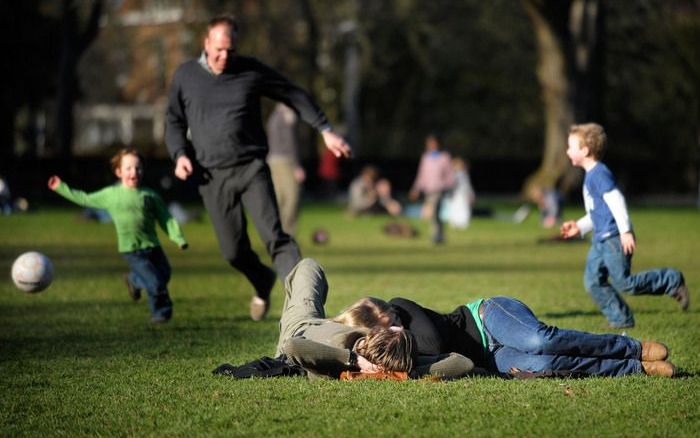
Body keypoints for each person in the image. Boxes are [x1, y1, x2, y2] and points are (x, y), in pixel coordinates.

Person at [165, 15, 351, 321]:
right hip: (211, 175)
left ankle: (304, 309)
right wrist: (179, 154)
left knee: (276, 238)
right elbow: (173, 120)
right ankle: (261, 280)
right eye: (219, 49)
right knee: (233, 252)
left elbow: (292, 94)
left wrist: (325, 129)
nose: (225, 56)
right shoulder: (186, 75)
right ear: (206, 43)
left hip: (251, 169)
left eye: (231, 51)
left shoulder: (250, 71)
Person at [350, 295, 677, 378]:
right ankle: (633, 368)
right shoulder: (392, 348)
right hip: (492, 359)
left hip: (487, 317)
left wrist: (400, 343)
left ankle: (631, 347)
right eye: (386, 326)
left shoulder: (402, 306)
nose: (394, 324)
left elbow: (435, 344)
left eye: (390, 319)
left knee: (540, 341)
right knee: (543, 363)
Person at [560, 123, 690, 328]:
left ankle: (671, 280)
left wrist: (626, 232)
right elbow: (598, 212)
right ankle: (621, 319)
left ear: (584, 150)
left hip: (613, 239)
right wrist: (579, 226)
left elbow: (616, 201)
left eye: (570, 147)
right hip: (599, 241)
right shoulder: (590, 175)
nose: (567, 151)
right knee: (593, 282)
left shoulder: (599, 173)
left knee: (625, 283)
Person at [48, 149, 188, 323]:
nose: (134, 172)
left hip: (153, 246)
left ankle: (134, 281)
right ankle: (161, 313)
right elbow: (84, 198)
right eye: (128, 168)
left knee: (164, 274)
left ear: (143, 171)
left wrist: (178, 238)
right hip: (132, 250)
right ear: (119, 172)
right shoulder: (111, 195)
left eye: (138, 168)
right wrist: (61, 187)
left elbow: (166, 219)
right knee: (155, 283)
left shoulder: (150, 196)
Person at [276, 259, 474, 379]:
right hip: (332, 328)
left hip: (301, 327)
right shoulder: (394, 360)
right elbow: (462, 362)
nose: (399, 328)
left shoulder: (337, 358)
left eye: (392, 328)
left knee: (308, 266)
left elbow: (293, 346)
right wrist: (403, 373)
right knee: (308, 267)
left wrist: (354, 360)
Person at [266, 103, 305, 236]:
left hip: (273, 160)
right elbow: (290, 143)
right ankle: (288, 234)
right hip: (286, 161)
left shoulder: (274, 116)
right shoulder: (286, 116)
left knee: (279, 198)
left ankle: (277, 234)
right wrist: (297, 166)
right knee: (291, 198)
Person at [409, 134, 455, 244]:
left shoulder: (444, 157)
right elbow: (421, 175)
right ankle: (440, 235)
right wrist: (415, 189)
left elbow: (449, 174)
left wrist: (450, 187)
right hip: (428, 189)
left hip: (439, 189)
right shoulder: (426, 157)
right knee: (435, 214)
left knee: (434, 211)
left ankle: (435, 235)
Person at [443, 157, 475, 229]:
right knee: (454, 208)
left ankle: (462, 223)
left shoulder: (464, 174)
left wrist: (471, 194)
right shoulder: (454, 175)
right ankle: (455, 222)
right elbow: (450, 185)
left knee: (463, 208)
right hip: (455, 195)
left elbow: (467, 186)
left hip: (462, 194)